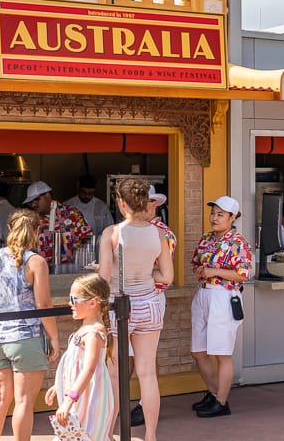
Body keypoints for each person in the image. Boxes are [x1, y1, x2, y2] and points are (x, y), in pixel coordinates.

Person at [0, 208, 61, 441]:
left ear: (9, 229)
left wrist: (1, 309)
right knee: (23, 402)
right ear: (36, 232)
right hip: (26, 338)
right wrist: (54, 337)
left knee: (0, 398)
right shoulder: (36, 262)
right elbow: (43, 304)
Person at [98, 177, 173, 441]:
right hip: (150, 302)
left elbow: (105, 278)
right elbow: (167, 276)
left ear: (121, 203)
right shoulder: (159, 233)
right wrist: (145, 273)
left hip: (121, 306)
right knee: (147, 373)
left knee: (116, 374)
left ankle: (108, 432)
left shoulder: (112, 233)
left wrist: (99, 272)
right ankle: (151, 436)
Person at [190, 196, 252, 418]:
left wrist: (214, 272)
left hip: (223, 297)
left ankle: (221, 401)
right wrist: (200, 271)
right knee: (198, 351)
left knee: (222, 353)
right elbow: (197, 263)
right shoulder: (206, 239)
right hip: (203, 294)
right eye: (213, 213)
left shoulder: (238, 243)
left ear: (232, 217)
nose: (214, 218)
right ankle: (214, 393)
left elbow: (244, 274)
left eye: (220, 214)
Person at [45, 273, 115, 441]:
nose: (70, 303)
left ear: (92, 302)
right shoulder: (84, 329)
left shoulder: (93, 333)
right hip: (79, 395)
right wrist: (59, 385)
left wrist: (69, 400)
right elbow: (74, 364)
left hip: (90, 399)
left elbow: (89, 369)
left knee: (88, 436)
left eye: (73, 299)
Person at [130, 185, 176, 427]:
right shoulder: (133, 230)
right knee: (133, 360)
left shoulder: (162, 233)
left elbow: (165, 274)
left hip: (150, 298)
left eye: (144, 202)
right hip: (133, 299)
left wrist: (132, 269)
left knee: (145, 361)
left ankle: (142, 406)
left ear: (154, 204)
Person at [23, 180, 92, 266]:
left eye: (36, 200)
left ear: (47, 195)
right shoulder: (32, 220)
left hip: (71, 271)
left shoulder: (73, 214)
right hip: (42, 271)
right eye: (30, 202)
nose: (33, 204)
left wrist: (81, 259)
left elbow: (88, 237)